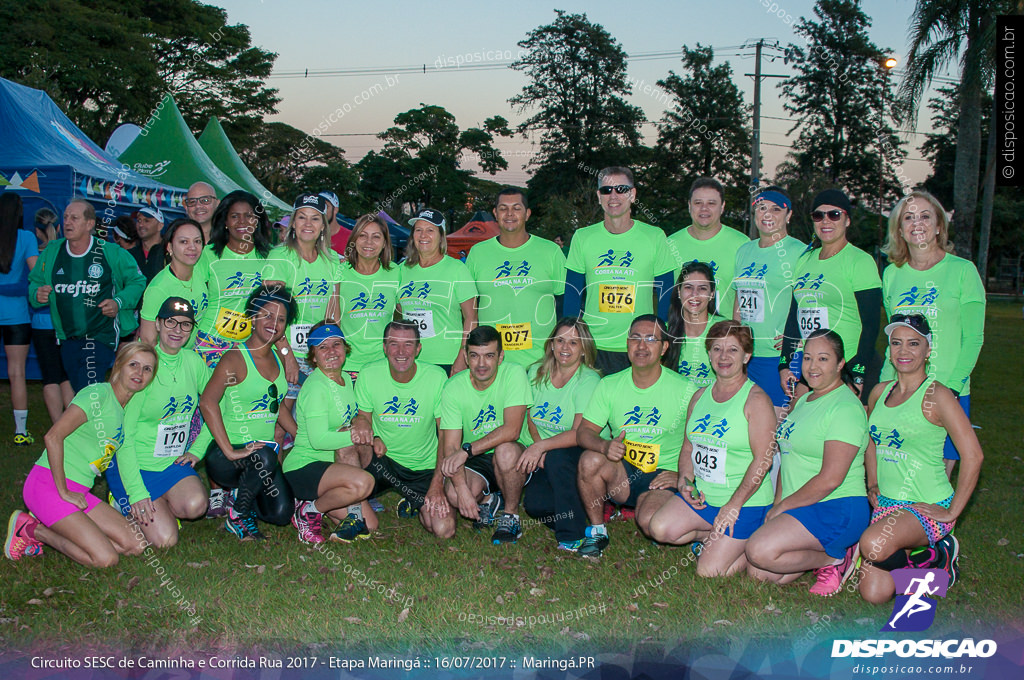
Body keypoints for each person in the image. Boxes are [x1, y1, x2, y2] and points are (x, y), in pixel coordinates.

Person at [856, 314, 982, 603]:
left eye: (914, 344)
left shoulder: (937, 395)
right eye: (896, 343)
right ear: (888, 349)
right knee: (874, 594)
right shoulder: (880, 391)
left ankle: (940, 545)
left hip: (927, 506)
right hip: (887, 505)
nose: (904, 351)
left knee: (872, 544)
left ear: (928, 351)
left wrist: (952, 512)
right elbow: (871, 441)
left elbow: (973, 455)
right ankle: (936, 568)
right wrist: (872, 482)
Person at [636, 321, 775, 577]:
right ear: (709, 353)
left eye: (733, 350)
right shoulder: (700, 397)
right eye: (717, 349)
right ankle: (718, 537)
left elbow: (763, 461)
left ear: (747, 356)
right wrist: (685, 484)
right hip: (705, 497)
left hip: (744, 502)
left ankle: (746, 539)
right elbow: (688, 447)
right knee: (660, 528)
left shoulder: (756, 400)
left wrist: (734, 505)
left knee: (709, 571)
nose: (723, 357)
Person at [4, 342, 156, 565]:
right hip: (49, 486)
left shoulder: (124, 409)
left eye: (147, 369)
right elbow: (53, 437)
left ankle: (77, 531)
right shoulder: (98, 395)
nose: (139, 373)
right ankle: (33, 530)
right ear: (119, 366)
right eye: (133, 364)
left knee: (136, 545)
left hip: (80, 492)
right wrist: (63, 491)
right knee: (105, 559)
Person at [744, 330, 868, 596]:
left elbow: (831, 479)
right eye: (808, 358)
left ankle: (835, 558)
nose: (813, 367)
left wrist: (783, 508)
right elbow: (787, 461)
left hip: (837, 505)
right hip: (802, 505)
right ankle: (821, 552)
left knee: (758, 550)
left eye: (823, 359)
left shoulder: (845, 408)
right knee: (759, 572)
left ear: (840, 363)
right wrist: (777, 505)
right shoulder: (803, 401)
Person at [881, 190, 985, 475]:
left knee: (933, 480)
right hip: (900, 390)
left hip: (946, 391)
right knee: (894, 472)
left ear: (939, 225)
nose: (917, 223)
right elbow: (893, 338)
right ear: (899, 229)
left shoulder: (963, 271)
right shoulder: (892, 274)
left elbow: (974, 338)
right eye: (909, 217)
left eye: (925, 216)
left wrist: (950, 390)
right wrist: (883, 388)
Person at [575, 315, 690, 558]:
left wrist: (684, 475)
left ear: (664, 348)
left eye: (651, 339)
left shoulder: (685, 389)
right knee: (589, 460)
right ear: (627, 344)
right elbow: (584, 432)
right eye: (635, 338)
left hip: (662, 474)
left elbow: (703, 441)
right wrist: (605, 446)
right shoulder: (609, 384)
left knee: (650, 524)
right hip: (624, 472)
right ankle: (597, 532)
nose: (641, 346)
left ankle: (677, 514)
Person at [105, 298, 209, 548]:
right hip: (135, 465)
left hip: (171, 463)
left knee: (196, 505)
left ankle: (159, 504)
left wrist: (198, 449)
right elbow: (124, 438)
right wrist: (138, 493)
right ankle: (121, 499)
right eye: (171, 322)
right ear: (159, 325)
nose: (177, 330)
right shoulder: (144, 366)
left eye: (185, 325)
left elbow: (218, 405)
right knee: (165, 541)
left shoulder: (193, 362)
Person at [198, 285, 296, 541]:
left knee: (282, 514)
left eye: (281, 319)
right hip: (227, 457)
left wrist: (301, 435)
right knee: (263, 455)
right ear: (252, 316)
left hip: (261, 458)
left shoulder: (277, 356)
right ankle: (238, 515)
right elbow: (208, 402)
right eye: (267, 315)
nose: (273, 323)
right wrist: (230, 450)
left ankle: (243, 496)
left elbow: (277, 407)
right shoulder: (235, 358)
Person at [565, 167, 675, 375]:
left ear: (632, 195)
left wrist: (659, 338)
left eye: (621, 189)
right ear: (599, 196)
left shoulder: (654, 236)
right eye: (606, 190)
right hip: (593, 345)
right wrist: (572, 338)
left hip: (638, 346)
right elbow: (572, 291)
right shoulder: (583, 237)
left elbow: (666, 291)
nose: (613, 196)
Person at [28, 199, 147, 392]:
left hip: (100, 336)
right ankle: (104, 419)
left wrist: (118, 302)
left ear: (89, 224)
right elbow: (35, 282)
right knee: (81, 392)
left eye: (74, 218)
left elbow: (137, 280)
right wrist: (37, 293)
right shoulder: (52, 252)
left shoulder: (110, 252)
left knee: (88, 390)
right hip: (67, 338)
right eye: (65, 217)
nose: (67, 222)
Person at [350, 320, 454, 538]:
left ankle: (413, 501)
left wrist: (437, 483)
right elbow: (363, 421)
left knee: (443, 530)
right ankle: (355, 507)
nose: (400, 352)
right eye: (393, 344)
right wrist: (366, 429)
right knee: (349, 441)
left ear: (418, 348)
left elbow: (445, 434)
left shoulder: (436, 377)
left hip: (421, 468)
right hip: (382, 460)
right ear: (384, 347)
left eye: (408, 344)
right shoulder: (368, 374)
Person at [780, 189, 882, 404]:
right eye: (819, 215)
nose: (825, 221)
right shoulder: (804, 260)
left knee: (846, 435)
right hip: (813, 368)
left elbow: (871, 325)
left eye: (834, 215)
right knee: (798, 430)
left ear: (847, 220)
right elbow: (793, 317)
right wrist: (785, 364)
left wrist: (857, 372)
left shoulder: (859, 261)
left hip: (847, 367)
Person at [283, 323, 377, 544]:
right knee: (364, 483)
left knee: (370, 525)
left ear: (345, 349)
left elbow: (349, 416)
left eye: (336, 344)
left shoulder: (345, 380)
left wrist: (359, 423)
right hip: (305, 465)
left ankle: (317, 503)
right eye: (322, 347)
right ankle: (309, 510)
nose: (332, 351)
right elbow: (318, 440)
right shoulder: (317, 387)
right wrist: (357, 435)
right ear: (313, 357)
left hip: (333, 463)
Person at [439, 325, 531, 543]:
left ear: (500, 357)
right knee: (452, 493)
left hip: (513, 452)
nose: (482, 364)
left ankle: (510, 516)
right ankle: (490, 499)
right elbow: (451, 447)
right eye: (475, 356)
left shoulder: (514, 373)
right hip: (476, 458)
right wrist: (461, 490)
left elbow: (512, 430)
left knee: (505, 450)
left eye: (489, 356)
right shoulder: (453, 387)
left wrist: (467, 450)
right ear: (465, 356)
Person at [518, 318, 602, 552]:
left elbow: (578, 433)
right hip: (546, 449)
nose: (565, 348)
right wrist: (538, 445)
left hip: (581, 448)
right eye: (560, 340)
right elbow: (529, 416)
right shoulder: (536, 371)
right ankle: (581, 510)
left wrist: (542, 448)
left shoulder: (588, 380)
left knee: (558, 459)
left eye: (574, 343)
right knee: (534, 505)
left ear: (584, 349)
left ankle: (571, 534)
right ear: (551, 345)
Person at [466, 187, 566, 369]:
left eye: (516, 208)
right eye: (503, 208)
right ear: (495, 214)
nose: (509, 214)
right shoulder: (478, 253)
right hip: (492, 363)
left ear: (527, 214)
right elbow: (468, 309)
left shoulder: (551, 252)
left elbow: (564, 304)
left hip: (540, 363)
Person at [732, 187, 806, 414]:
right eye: (762, 208)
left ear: (788, 215)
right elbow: (738, 302)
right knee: (748, 424)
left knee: (778, 428)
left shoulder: (799, 252)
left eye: (776, 209)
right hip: (747, 355)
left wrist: (797, 338)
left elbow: (810, 302)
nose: (767, 214)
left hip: (781, 356)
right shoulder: (744, 250)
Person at [270, 193, 341, 397]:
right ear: (293, 223)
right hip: (284, 351)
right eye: (302, 217)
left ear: (323, 226)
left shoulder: (333, 260)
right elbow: (269, 317)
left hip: (319, 354)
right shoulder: (280, 256)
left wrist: (330, 354)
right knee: (279, 422)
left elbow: (333, 315)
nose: (308, 223)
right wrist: (287, 356)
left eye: (315, 218)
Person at [398, 208, 477, 375]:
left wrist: (463, 356)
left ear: (441, 236)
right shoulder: (401, 270)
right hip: (410, 360)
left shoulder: (457, 269)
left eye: (430, 230)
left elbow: (471, 317)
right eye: (418, 230)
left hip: (447, 360)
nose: (423, 235)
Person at [667, 178, 750, 315]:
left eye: (711, 203)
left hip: (724, 333)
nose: (704, 208)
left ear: (722, 207)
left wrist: (737, 333)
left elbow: (746, 296)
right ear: (689, 205)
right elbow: (666, 295)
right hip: (682, 332)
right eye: (698, 203)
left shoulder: (742, 244)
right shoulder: (671, 244)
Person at [337, 214, 400, 380]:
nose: (369, 242)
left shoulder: (396, 273)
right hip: (348, 365)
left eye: (376, 237)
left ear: (385, 242)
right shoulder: (339, 271)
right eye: (362, 236)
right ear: (354, 240)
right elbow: (333, 320)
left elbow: (404, 315)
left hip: (384, 365)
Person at [0, 193, 39, 444]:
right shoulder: (26, 237)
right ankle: (20, 431)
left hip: (14, 311)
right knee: (16, 373)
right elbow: (36, 275)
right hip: (16, 314)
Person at [30, 208, 74, 426]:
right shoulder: (67, 255)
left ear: (37, 232)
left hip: (42, 324)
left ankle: (59, 425)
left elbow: (32, 287)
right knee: (65, 376)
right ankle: (69, 426)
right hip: (64, 323)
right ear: (59, 227)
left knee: (51, 375)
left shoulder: (37, 255)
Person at [665, 262, 729, 408]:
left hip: (716, 408)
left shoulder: (726, 330)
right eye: (688, 287)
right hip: (676, 410)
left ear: (712, 294)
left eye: (702, 288)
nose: (694, 294)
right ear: (679, 292)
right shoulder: (665, 331)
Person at [138, 218, 208, 348]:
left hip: (188, 357)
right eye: (184, 242)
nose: (192, 247)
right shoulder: (159, 288)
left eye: (197, 241)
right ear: (170, 247)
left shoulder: (200, 272)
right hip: (164, 361)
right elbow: (148, 341)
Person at [130, 207, 166, 283]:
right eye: (139, 221)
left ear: (160, 226)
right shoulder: (130, 255)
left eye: (146, 221)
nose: (141, 225)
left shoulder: (170, 253)